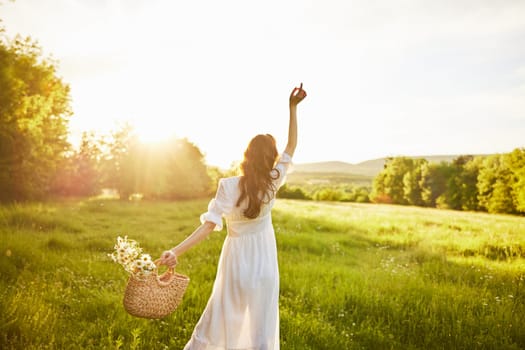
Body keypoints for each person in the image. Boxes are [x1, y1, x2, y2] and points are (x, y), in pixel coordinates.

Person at [160, 83, 307, 350]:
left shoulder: (228, 186)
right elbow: (292, 146)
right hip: (264, 266)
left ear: (246, 156)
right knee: (260, 329)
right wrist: (292, 108)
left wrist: (176, 251)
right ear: (270, 159)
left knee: (218, 321)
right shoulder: (273, 181)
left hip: (236, 264)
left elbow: (207, 228)